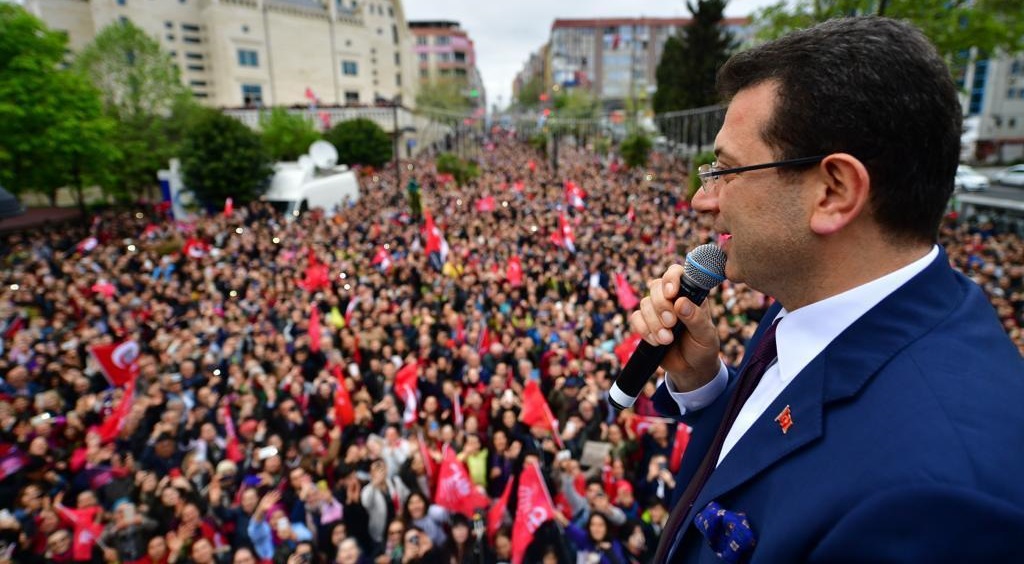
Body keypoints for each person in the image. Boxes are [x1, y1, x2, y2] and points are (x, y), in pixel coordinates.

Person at [631, 16, 1024, 562]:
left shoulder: (938, 500)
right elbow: (756, 467)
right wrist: (705, 388)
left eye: (725, 171)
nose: (703, 198)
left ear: (834, 191)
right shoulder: (815, 299)